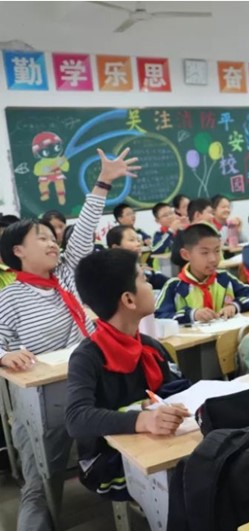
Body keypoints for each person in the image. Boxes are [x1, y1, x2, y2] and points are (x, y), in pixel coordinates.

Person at [0, 147, 137, 531]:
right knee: (40, 485)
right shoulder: (10, 297)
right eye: (41, 238)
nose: (52, 242)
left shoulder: (66, 272)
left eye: (52, 236)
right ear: (18, 251)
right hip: (43, 396)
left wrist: (103, 181)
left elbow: (85, 226)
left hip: (91, 380)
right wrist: (3, 355)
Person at [66, 249, 190, 499]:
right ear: (129, 300)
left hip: (159, 446)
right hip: (109, 462)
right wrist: (142, 420)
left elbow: (175, 389)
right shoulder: (87, 357)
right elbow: (76, 418)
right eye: (143, 279)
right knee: (190, 484)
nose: (151, 285)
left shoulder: (150, 346)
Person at [155, 223, 249, 324]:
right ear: (186, 255)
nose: (213, 259)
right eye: (204, 253)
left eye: (217, 251)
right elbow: (159, 317)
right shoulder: (174, 286)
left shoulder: (224, 279)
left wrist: (235, 306)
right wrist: (192, 314)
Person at [106, 225, 169, 289]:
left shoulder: (144, 272)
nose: (138, 244)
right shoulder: (112, 276)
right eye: (131, 240)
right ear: (116, 247)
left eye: (138, 240)